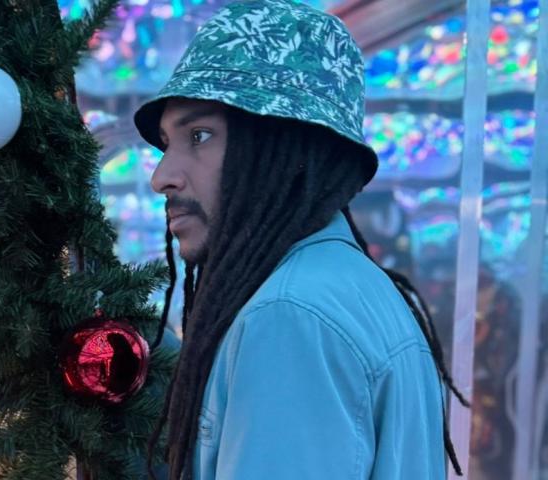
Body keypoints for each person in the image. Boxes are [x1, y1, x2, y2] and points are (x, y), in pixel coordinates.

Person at [134, 0, 468, 478]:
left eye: (200, 136)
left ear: (288, 146)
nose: (161, 177)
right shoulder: (350, 290)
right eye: (168, 144)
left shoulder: (289, 316)